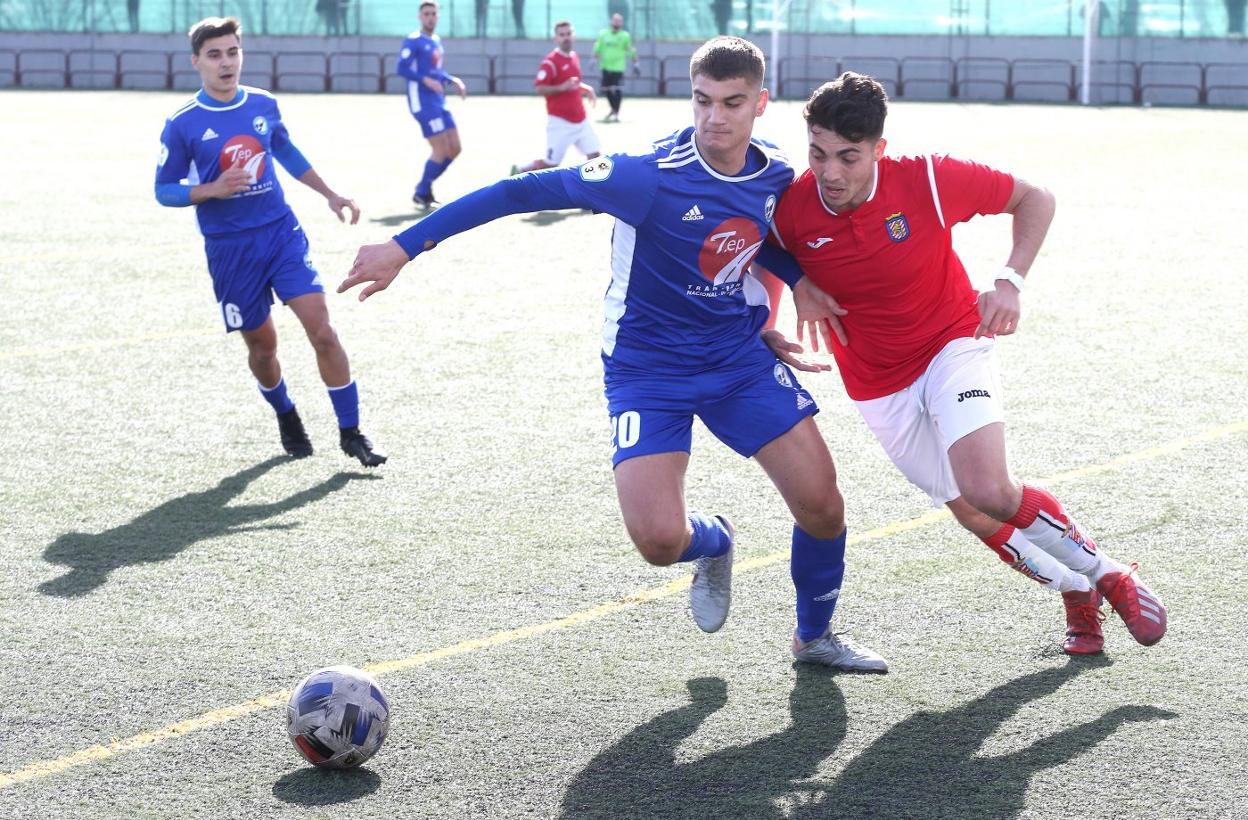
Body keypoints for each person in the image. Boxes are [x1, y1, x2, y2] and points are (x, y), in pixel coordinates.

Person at [341, 37, 887, 672]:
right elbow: (518, 194)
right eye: (702, 100)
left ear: (760, 103)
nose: (715, 117)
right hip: (646, 369)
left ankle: (813, 637)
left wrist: (790, 288)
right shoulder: (644, 176)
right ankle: (715, 540)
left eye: (732, 103)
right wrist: (406, 247)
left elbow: (755, 234)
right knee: (659, 541)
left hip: (735, 359)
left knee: (822, 504)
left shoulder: (774, 173)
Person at [761, 71, 1166, 655]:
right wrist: (789, 293)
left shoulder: (926, 178)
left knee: (989, 489)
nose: (829, 173)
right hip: (876, 383)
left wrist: (1009, 281)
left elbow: (1035, 198)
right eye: (818, 153)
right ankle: (1077, 592)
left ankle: (1111, 576)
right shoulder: (795, 205)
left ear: (879, 149)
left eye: (848, 157)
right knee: (974, 515)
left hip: (954, 342)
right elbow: (763, 246)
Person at [154, 17, 385, 467]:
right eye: (215, 54)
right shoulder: (182, 123)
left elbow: (288, 153)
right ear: (196, 62)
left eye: (233, 52)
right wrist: (211, 189)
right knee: (262, 347)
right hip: (229, 249)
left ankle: (351, 432)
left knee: (323, 330)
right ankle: (285, 411)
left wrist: (331, 193)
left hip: (281, 233)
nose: (226, 62)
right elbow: (164, 189)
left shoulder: (262, 103)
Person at [396, 1, 467, 208]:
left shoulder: (435, 40)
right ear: (420, 17)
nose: (430, 17)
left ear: (438, 16)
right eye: (426, 14)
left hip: (439, 101)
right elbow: (402, 67)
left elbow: (436, 71)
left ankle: (424, 188)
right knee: (441, 148)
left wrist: (452, 80)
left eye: (433, 13)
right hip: (423, 102)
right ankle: (422, 191)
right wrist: (425, 80)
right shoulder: (413, 40)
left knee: (455, 148)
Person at [510, 21, 600, 174]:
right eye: (562, 35)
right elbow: (540, 88)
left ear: (574, 36)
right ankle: (520, 170)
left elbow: (573, 82)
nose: (566, 38)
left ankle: (589, 190)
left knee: (596, 158)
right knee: (550, 166)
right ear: (556, 39)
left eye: (569, 34)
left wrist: (585, 88)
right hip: (560, 123)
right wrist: (561, 87)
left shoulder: (574, 56)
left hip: (581, 120)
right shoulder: (550, 62)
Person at [592, 13, 640, 123]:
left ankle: (616, 113)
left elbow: (630, 50)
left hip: (618, 67)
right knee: (606, 89)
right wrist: (594, 59)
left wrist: (636, 63)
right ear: (611, 21)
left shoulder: (625, 36)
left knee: (616, 89)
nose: (617, 23)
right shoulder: (603, 34)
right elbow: (598, 47)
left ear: (622, 23)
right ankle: (613, 109)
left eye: (619, 21)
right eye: (615, 20)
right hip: (605, 66)